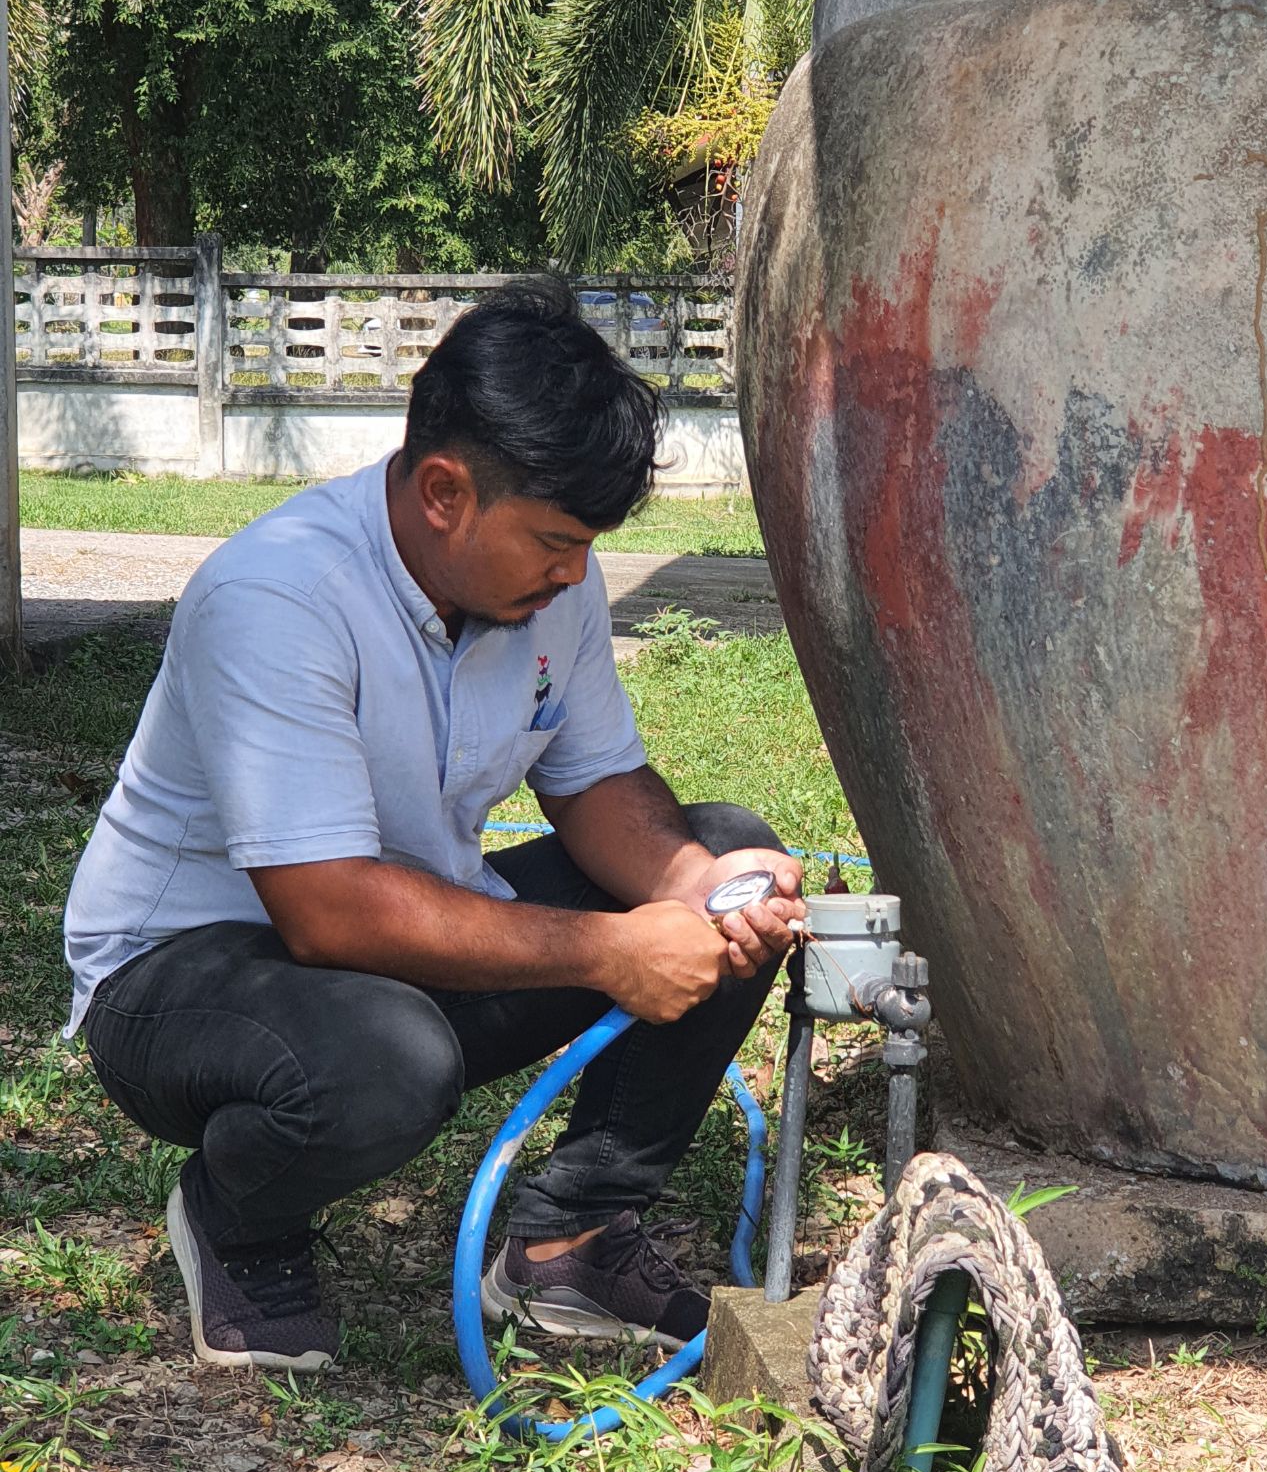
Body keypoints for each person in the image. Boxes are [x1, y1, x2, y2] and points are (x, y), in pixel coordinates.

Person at [63, 297, 802, 1374]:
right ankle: (236, 1215)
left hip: (402, 930)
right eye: (553, 541)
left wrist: (695, 882)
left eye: (585, 547)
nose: (571, 573)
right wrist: (612, 951)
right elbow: (324, 911)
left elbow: (596, 783)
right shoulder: (279, 597)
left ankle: (571, 1241)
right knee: (388, 1059)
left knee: (723, 857)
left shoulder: (555, 585)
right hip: (182, 974)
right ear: (446, 492)